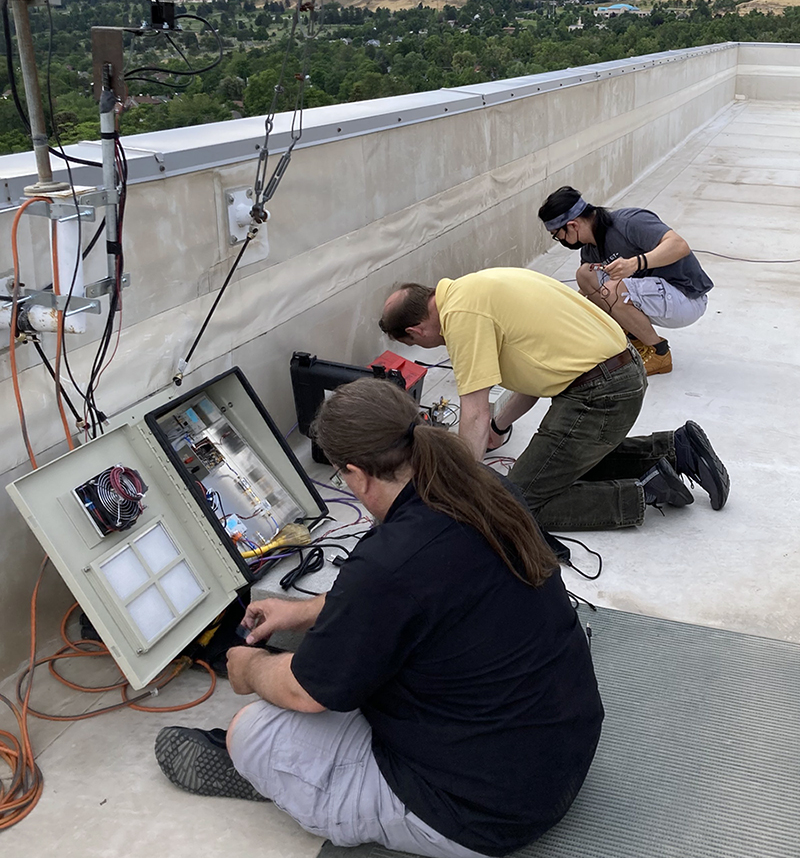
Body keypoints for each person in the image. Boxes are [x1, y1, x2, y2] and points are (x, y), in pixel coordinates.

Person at [154, 378, 604, 858]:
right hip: (562, 750)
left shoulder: (391, 563)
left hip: (481, 813)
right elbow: (412, 596)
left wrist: (248, 667)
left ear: (355, 472)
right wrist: (302, 612)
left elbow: (303, 693)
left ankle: (281, 781)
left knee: (254, 730)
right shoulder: (487, 490)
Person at [380, 269, 729, 532]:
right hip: (618, 372)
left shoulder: (459, 317)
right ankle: (676, 449)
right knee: (559, 465)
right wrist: (499, 427)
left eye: (414, 345)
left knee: (515, 503)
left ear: (415, 332)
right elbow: (534, 375)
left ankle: (645, 491)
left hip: (600, 393)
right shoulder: (475, 287)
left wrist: (460, 488)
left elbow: (473, 409)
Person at [538, 186, 714, 376]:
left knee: (613, 290)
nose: (560, 240)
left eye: (558, 235)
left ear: (572, 225)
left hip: (686, 298)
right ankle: (635, 340)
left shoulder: (629, 222)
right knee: (585, 275)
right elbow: (591, 294)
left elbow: (679, 246)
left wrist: (635, 263)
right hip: (657, 299)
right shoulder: (590, 251)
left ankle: (659, 351)